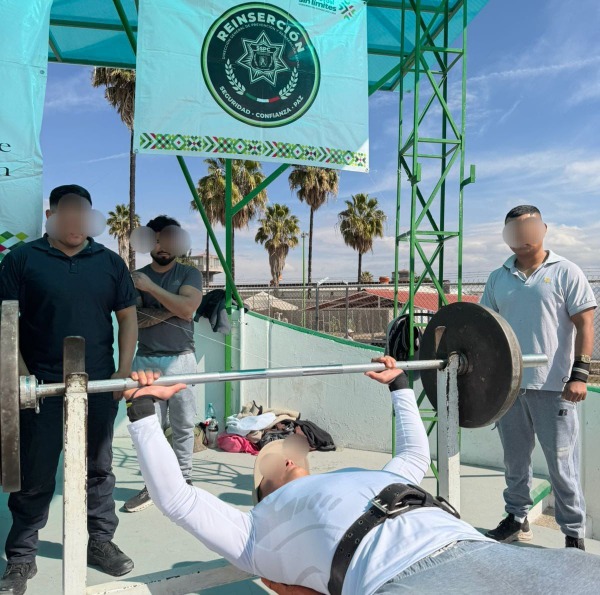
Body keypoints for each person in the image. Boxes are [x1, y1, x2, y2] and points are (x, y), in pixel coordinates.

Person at [121, 358, 600, 595]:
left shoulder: (367, 476)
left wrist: (399, 386)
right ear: (270, 473)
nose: (283, 442)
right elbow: (178, 499)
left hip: (482, 549)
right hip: (406, 580)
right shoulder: (254, 528)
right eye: (272, 445)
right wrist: (142, 414)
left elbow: (414, 452)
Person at [0, 185, 138, 595]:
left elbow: (127, 318)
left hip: (96, 386)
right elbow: (6, 320)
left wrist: (123, 370)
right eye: (69, 214)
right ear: (52, 216)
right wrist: (22, 376)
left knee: (98, 469)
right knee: (35, 474)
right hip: (39, 389)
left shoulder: (110, 263)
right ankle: (21, 557)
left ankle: (100, 542)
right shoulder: (22, 259)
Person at [481, 205, 596, 550]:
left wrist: (580, 374)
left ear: (543, 229)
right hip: (510, 388)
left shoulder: (566, 271)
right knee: (515, 462)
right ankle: (517, 519)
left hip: (555, 388)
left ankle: (573, 535)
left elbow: (585, 324)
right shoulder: (498, 277)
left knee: (563, 465)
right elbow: (487, 327)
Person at [124, 215, 203, 513]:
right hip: (146, 361)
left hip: (183, 359)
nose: (162, 245)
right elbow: (136, 320)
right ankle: (152, 485)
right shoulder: (136, 277)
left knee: (183, 426)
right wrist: (176, 308)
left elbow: (189, 307)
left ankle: (184, 481)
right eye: (156, 239)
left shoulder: (189, 273)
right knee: (149, 430)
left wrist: (153, 291)